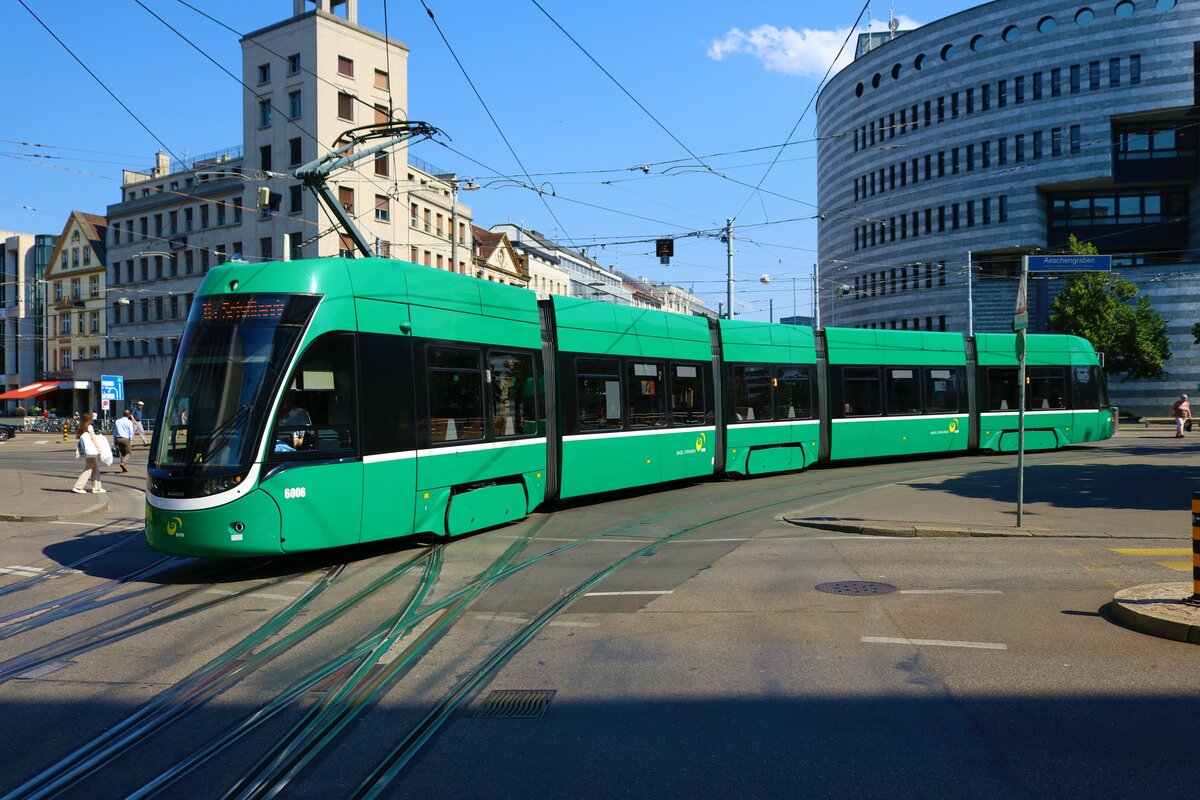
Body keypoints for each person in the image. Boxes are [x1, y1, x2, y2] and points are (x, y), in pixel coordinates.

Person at [72, 412, 106, 494]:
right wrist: (98, 448)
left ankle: (97, 487)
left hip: (87, 450)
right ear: (89, 419)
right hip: (91, 450)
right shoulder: (89, 427)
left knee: (95, 468)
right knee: (89, 469)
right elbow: (93, 438)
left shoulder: (82, 426)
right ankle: (78, 486)